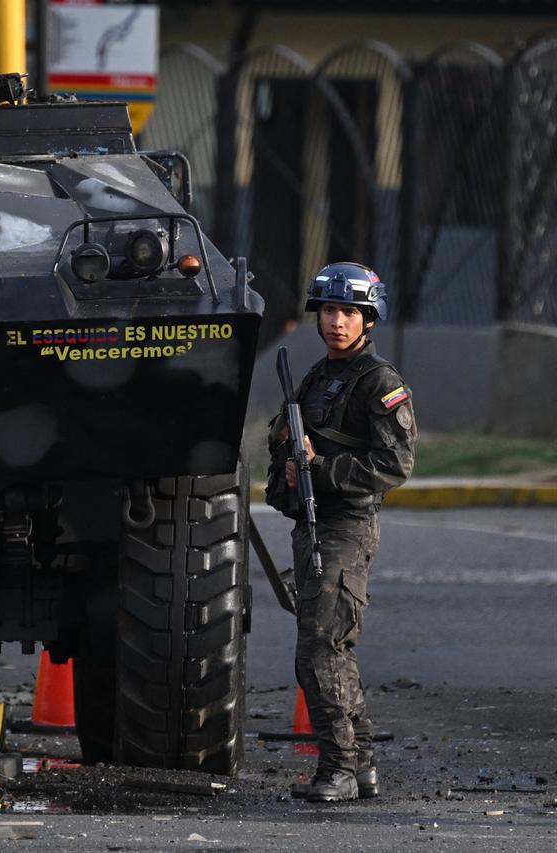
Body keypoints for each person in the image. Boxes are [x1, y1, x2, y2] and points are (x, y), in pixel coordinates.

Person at [266, 261, 417, 803]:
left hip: (346, 525)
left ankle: (338, 768)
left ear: (368, 319)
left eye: (349, 312)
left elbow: (394, 465)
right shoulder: (318, 376)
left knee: (319, 650)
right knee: (333, 649)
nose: (337, 322)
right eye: (329, 310)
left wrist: (321, 469)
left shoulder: (379, 381)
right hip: (314, 523)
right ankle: (363, 764)